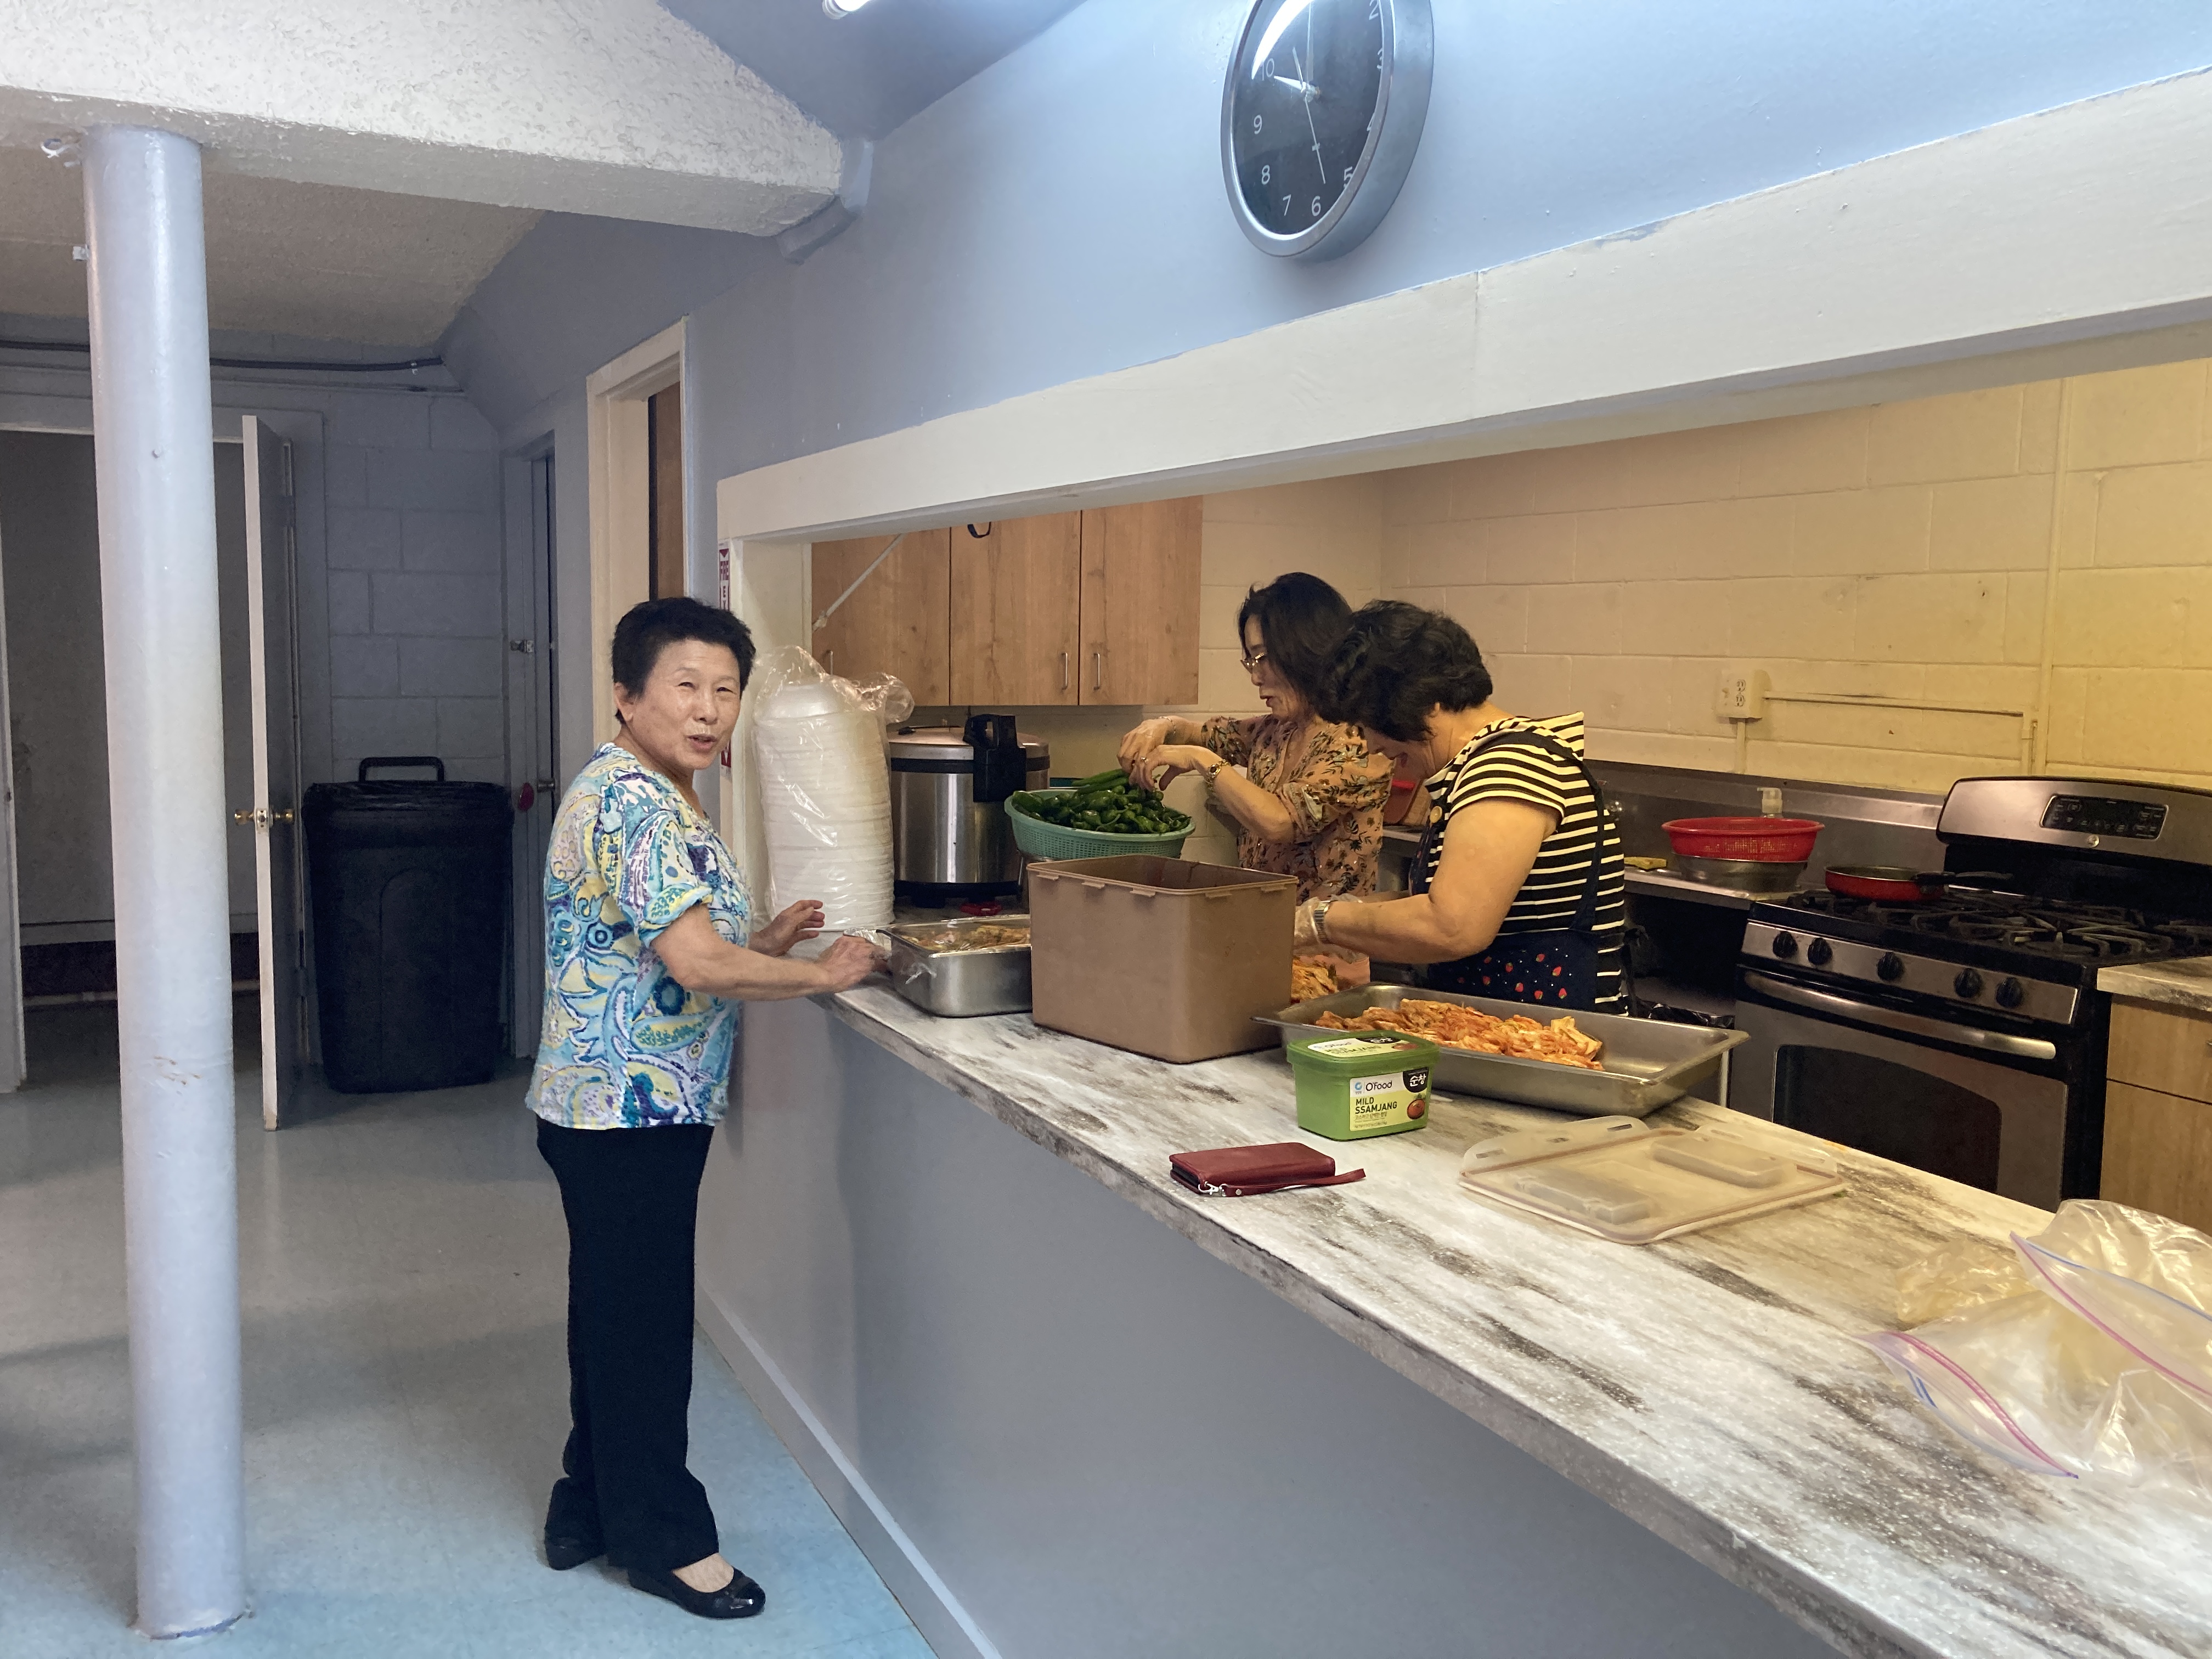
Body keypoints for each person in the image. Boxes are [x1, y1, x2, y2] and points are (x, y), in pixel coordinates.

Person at [527, 596, 880, 1621]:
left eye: (726, 689)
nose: (709, 708)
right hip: (628, 1111)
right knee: (642, 1326)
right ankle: (664, 1540)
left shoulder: (645, 790)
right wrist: (820, 976)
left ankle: (587, 1504)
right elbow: (691, 962)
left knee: (609, 1309)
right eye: (685, 685)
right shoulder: (637, 803)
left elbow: (661, 951)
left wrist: (762, 943)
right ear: (627, 694)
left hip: (602, 1101)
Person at [1296, 601, 1627, 1012]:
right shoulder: (1477, 767)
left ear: (1423, 701)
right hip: (1502, 1021)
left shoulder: (1510, 767)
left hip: (1551, 1032)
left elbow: (1451, 926)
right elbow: (1437, 899)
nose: (1372, 746)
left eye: (1371, 725)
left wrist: (1323, 922)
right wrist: (1345, 914)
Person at [1115, 572, 1391, 904]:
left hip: (1324, 936)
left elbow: (1280, 821)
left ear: (1310, 649)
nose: (1255, 677)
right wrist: (1162, 725)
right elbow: (1203, 734)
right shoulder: (1278, 729)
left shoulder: (1361, 742)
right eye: (1250, 661)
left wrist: (1201, 760)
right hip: (1265, 925)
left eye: (1263, 658)